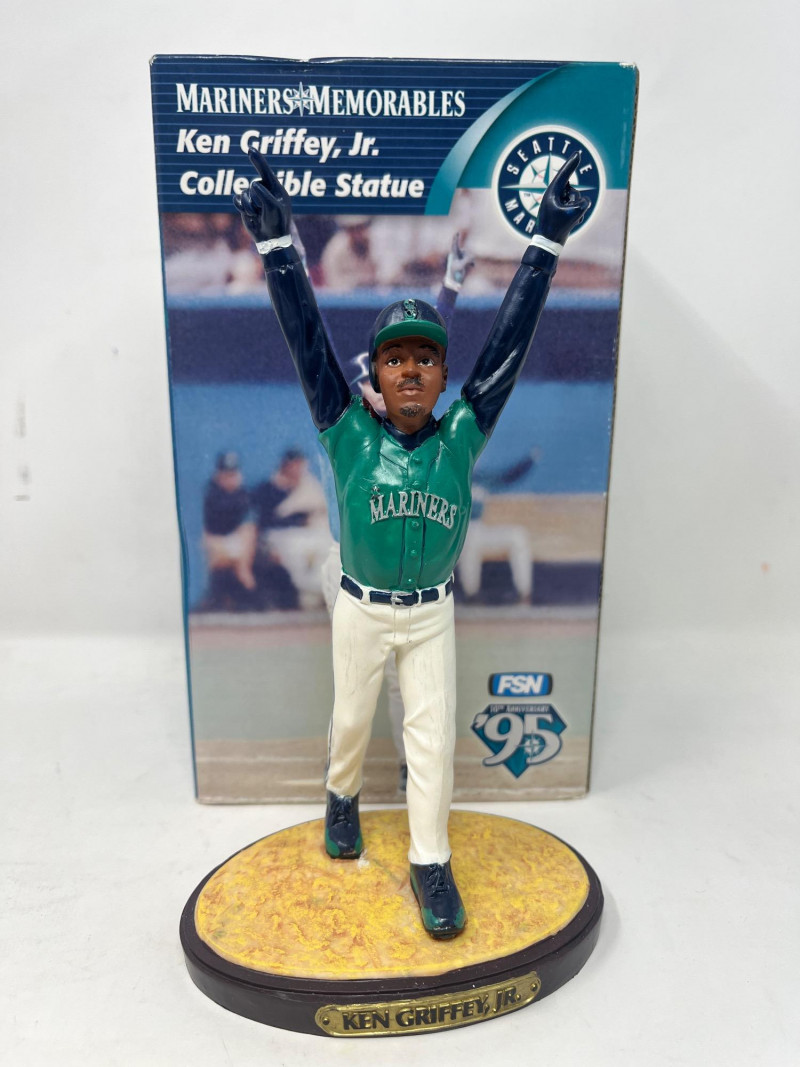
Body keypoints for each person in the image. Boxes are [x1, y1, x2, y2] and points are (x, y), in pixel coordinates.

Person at [234, 147, 589, 939]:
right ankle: (341, 795)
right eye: (395, 357)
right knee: (352, 721)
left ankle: (431, 860)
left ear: (441, 373)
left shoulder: (462, 433)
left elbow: (506, 348)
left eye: (425, 357)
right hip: (361, 607)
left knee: (432, 742)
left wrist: (545, 245)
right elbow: (306, 341)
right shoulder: (347, 433)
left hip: (430, 613)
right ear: (378, 372)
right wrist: (278, 246)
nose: (409, 370)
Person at [199, 451, 258, 611]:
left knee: (247, 539)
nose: (230, 478)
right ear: (218, 474)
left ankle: (246, 586)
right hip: (215, 542)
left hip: (237, 546)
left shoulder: (243, 494)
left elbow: (249, 528)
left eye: (233, 473)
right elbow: (208, 533)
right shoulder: (211, 492)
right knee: (218, 555)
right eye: (226, 474)